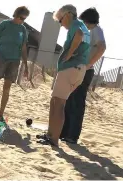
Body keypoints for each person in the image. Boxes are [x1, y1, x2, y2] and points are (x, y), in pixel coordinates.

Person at [36, 4, 91, 147]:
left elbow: (78, 35)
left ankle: (53, 139)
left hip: (70, 69)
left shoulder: (76, 25)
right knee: (56, 101)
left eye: (60, 20)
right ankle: (50, 134)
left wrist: (69, 54)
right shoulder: (84, 27)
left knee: (58, 104)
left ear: (67, 15)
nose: (61, 25)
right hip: (79, 69)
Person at [61, 8, 106, 144]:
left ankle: (72, 136)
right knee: (69, 101)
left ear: (88, 21)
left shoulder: (96, 30)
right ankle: (65, 132)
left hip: (84, 70)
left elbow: (102, 47)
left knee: (77, 102)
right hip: (76, 68)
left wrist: (88, 65)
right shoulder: (88, 31)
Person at [0, 6, 29, 121]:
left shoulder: (23, 29)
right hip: (1, 59)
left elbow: (23, 48)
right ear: (16, 15)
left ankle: (0, 115)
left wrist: (26, 65)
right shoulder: (5, 24)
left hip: (14, 61)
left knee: (7, 88)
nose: (23, 21)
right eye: (21, 18)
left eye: (25, 19)